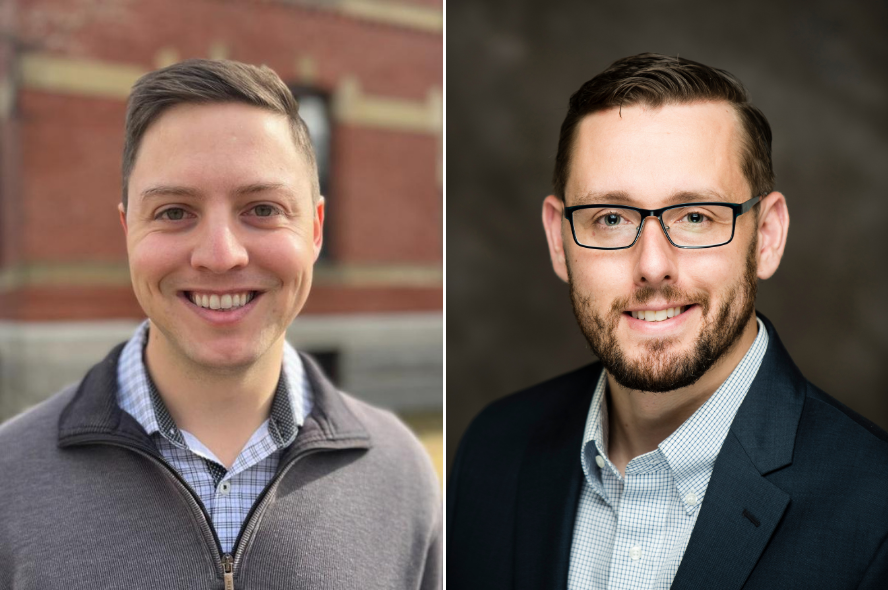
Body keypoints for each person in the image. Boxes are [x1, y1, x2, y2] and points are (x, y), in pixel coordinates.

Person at [448, 53, 888, 589]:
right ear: (557, 241)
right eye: (610, 218)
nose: (653, 266)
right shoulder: (492, 452)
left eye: (696, 216)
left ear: (767, 236)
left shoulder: (875, 507)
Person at [0, 59, 441, 589]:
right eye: (173, 212)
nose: (220, 255)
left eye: (261, 208)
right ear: (127, 231)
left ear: (316, 230)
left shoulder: (400, 474)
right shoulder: (10, 482)